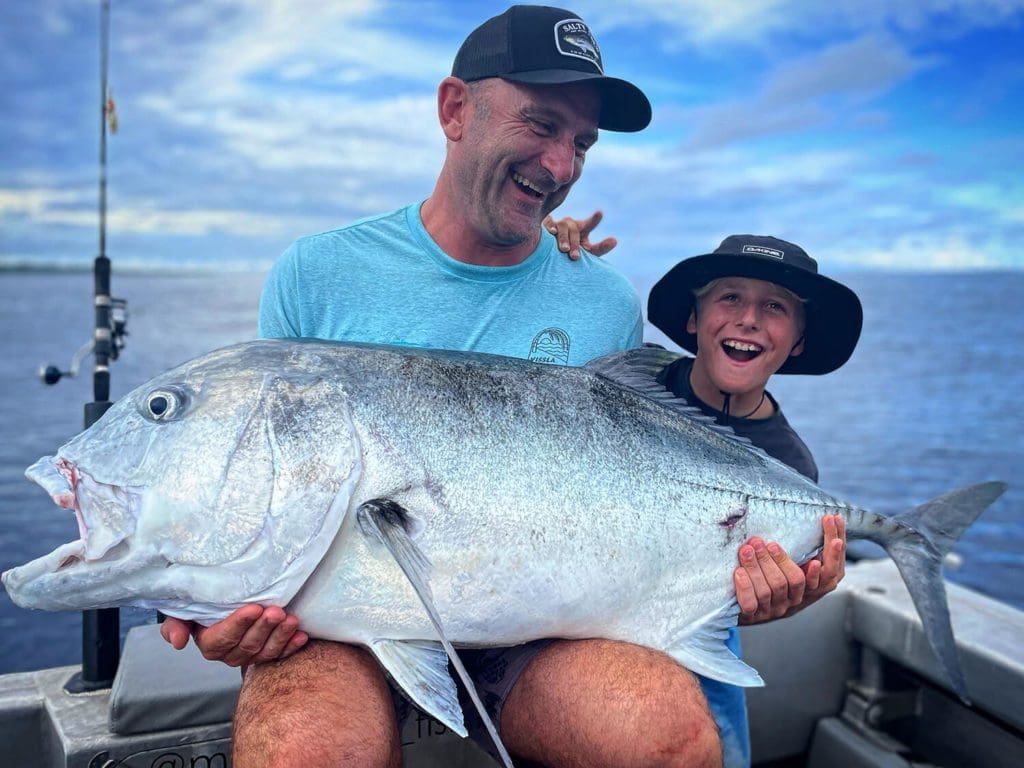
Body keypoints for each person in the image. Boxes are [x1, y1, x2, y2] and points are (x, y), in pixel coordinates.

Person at [159, 6, 731, 767]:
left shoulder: (602, 299)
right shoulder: (318, 274)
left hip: (535, 631)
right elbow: (262, 473)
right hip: (340, 625)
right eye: (540, 125)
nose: (560, 167)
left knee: (676, 741)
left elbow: (630, 488)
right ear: (454, 109)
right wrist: (206, 604)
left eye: (582, 144)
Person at [640, 233, 862, 767]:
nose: (748, 320)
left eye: (775, 307)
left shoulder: (793, 468)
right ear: (694, 319)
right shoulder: (635, 383)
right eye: (730, 297)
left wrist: (772, 603)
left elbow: (741, 588)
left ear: (799, 341)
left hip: (701, 638)